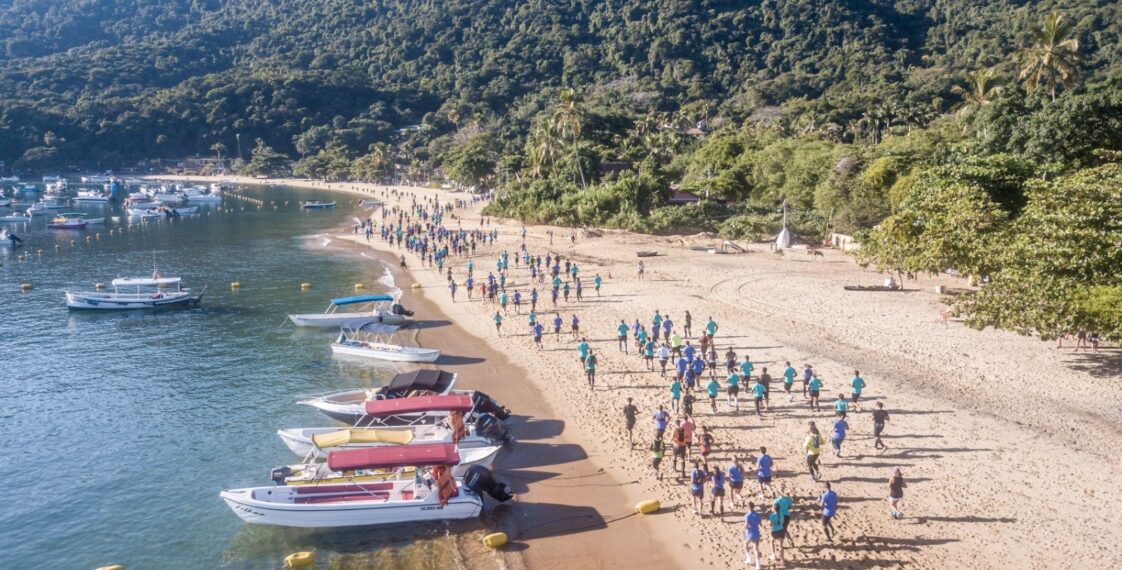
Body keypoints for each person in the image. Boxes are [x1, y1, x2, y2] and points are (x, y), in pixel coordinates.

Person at [744, 502, 763, 569]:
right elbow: (760, 524)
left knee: (745, 543)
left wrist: (744, 527)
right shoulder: (757, 514)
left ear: (748, 507)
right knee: (756, 549)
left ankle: (748, 557)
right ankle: (758, 565)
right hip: (757, 533)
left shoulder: (747, 516)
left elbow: (746, 526)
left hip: (750, 533)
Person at [768, 503, 786, 568]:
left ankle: (773, 554)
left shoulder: (771, 515)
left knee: (772, 541)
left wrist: (771, 524)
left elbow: (770, 524)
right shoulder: (781, 514)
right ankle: (782, 560)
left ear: (774, 508)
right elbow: (783, 522)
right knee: (781, 546)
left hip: (774, 531)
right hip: (781, 530)